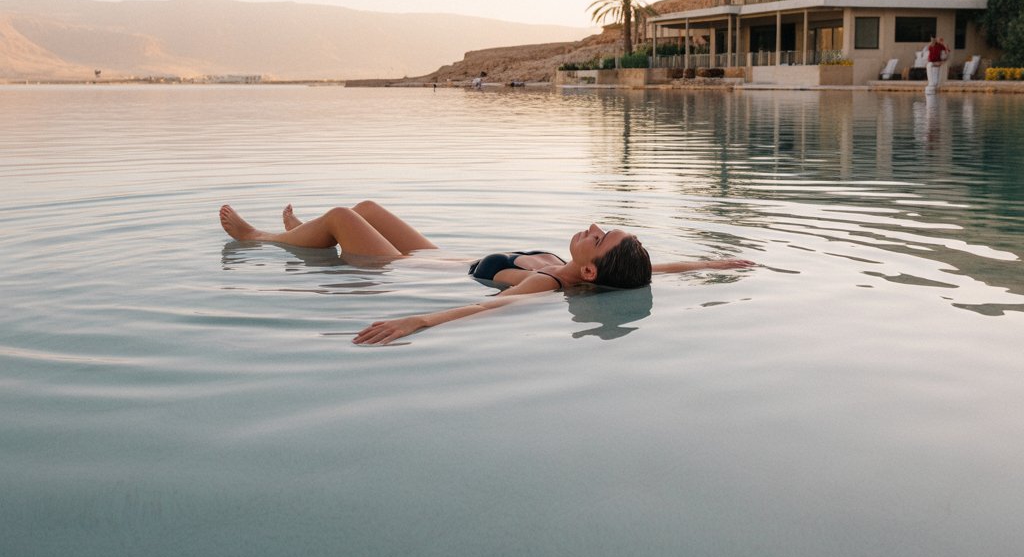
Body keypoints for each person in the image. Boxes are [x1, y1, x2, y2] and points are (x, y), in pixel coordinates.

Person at [218, 201, 755, 344]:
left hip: (405, 268)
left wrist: (418, 322)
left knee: (343, 217)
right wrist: (709, 263)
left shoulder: (547, 283)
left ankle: (259, 237)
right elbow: (656, 269)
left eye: (598, 235)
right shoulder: (588, 270)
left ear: (590, 270)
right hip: (439, 254)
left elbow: (486, 307)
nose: (592, 225)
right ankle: (300, 232)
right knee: (367, 208)